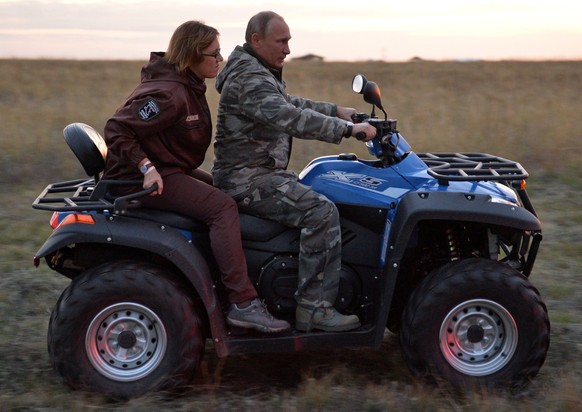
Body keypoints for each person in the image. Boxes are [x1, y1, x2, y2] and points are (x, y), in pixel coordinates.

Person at [102, 20, 290, 334]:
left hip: (170, 168)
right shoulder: (169, 93)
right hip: (148, 177)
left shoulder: (184, 82)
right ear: (191, 55)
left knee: (224, 188)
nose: (220, 60)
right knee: (221, 206)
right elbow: (117, 129)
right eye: (213, 54)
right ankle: (244, 303)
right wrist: (146, 168)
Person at [212, 11, 377, 332]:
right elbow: (288, 116)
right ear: (256, 40)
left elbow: (286, 101)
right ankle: (313, 307)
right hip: (248, 179)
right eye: (281, 41)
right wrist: (347, 130)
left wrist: (336, 110)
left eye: (289, 41)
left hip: (258, 172)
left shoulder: (256, 70)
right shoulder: (249, 77)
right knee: (321, 212)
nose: (287, 48)